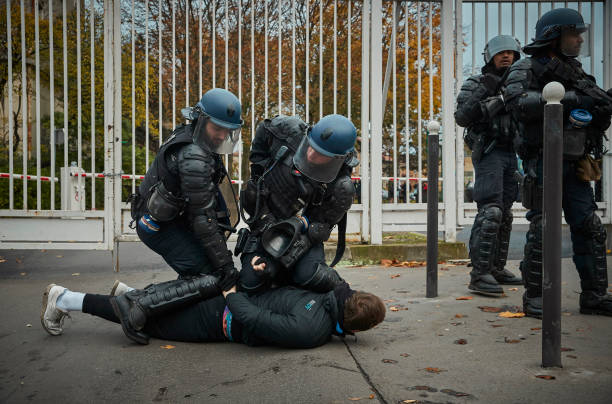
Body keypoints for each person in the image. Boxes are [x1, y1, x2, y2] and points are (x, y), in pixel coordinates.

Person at [503, 8, 612, 317]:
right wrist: (570, 99)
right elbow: (517, 102)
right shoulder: (527, 67)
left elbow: (596, 119)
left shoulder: (577, 72)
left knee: (589, 227)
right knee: (543, 228)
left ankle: (593, 295)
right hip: (542, 160)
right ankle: (536, 295)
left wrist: (601, 106)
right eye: (574, 34)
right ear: (555, 36)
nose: (580, 40)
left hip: (575, 160)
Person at [39, 267, 386, 348]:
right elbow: (252, 318)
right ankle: (64, 298)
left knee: (156, 304)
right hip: (220, 318)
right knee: (141, 321)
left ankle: (134, 292)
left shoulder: (329, 287)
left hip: (226, 299)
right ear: (354, 327)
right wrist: (232, 292)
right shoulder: (313, 331)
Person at [129, 88, 243, 293]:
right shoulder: (193, 155)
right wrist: (226, 267)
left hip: (172, 219)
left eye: (227, 130)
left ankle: (131, 296)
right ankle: (135, 306)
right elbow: (203, 218)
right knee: (208, 277)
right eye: (217, 128)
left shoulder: (196, 139)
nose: (222, 135)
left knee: (204, 274)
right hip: (155, 225)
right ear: (201, 120)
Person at [236, 114, 359, 294]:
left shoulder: (341, 187)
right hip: (265, 219)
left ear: (337, 158)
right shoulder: (286, 130)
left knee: (309, 276)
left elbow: (320, 228)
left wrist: (290, 252)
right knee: (250, 281)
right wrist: (258, 168)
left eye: (320, 154)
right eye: (311, 145)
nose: (310, 153)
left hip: (301, 234)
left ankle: (345, 295)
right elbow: (264, 129)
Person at [455, 35, 523, 296]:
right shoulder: (478, 82)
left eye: (510, 52)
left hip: (512, 152)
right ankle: (479, 274)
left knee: (505, 213)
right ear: (491, 56)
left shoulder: (522, 82)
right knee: (491, 211)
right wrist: (490, 93)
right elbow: (462, 116)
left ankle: (496, 268)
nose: (506, 56)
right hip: (490, 151)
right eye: (501, 52)